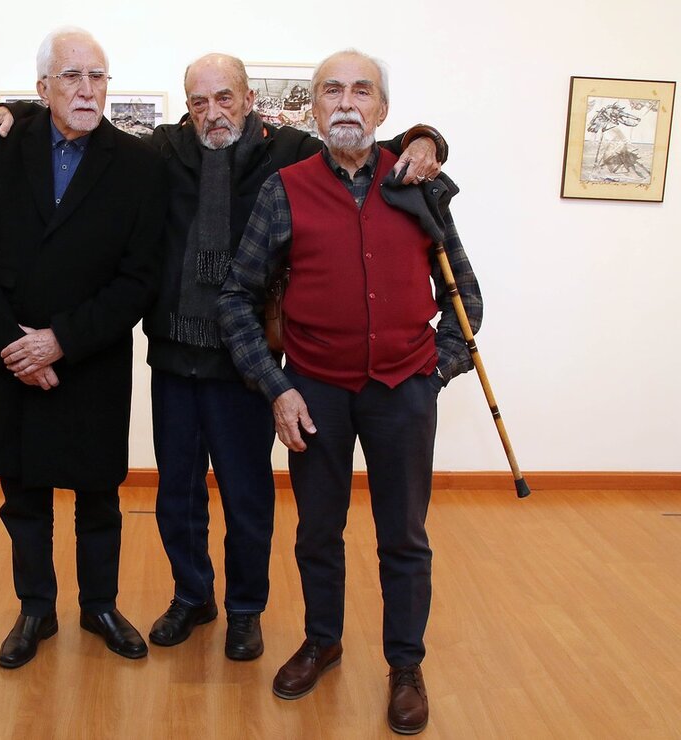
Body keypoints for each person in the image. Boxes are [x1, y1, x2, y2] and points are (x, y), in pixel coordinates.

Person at [0, 54, 446, 661]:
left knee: (247, 496)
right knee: (177, 495)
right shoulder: (163, 149)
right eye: (198, 102)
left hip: (243, 361)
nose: (213, 113)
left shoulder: (290, 152)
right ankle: (192, 596)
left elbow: (353, 136)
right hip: (173, 354)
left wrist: (428, 139)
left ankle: (246, 610)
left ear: (250, 99)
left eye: (225, 98)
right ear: (185, 107)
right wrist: (13, 110)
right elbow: (85, 119)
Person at [218, 49, 481, 734]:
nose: (345, 102)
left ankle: (405, 665)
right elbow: (235, 298)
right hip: (316, 392)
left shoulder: (418, 183)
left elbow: (466, 298)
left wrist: (435, 370)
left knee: (404, 538)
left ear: (383, 110)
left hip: (403, 391)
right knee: (317, 532)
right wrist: (276, 388)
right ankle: (323, 640)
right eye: (330, 90)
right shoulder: (285, 189)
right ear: (313, 108)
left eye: (361, 90)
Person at [0, 28, 167, 669]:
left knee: (99, 494)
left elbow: (139, 278)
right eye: (72, 76)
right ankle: (35, 609)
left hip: (90, 357)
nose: (87, 89)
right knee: (24, 496)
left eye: (97, 76)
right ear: (41, 88)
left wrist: (61, 341)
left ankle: (100, 604)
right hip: (11, 357)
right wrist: (14, 345)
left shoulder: (138, 164)